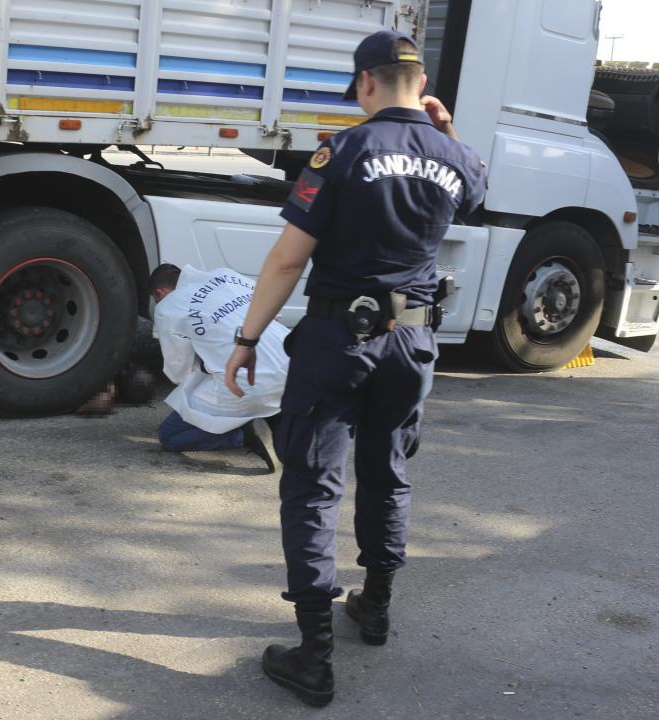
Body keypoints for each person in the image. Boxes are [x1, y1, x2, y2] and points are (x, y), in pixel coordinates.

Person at [223, 31, 486, 706]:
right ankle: (375, 606)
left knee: (313, 485)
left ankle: (314, 656)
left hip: (340, 339)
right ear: (422, 85)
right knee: (387, 472)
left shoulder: (342, 152)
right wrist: (447, 131)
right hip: (413, 343)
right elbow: (474, 193)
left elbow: (289, 258)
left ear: (365, 82)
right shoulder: (455, 155)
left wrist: (248, 337)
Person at [151, 264, 288, 471]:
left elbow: (179, 371)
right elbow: (274, 313)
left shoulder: (168, 306)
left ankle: (244, 435)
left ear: (160, 293)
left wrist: (206, 366)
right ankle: (272, 415)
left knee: (170, 435)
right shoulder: (228, 276)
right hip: (293, 365)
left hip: (250, 382)